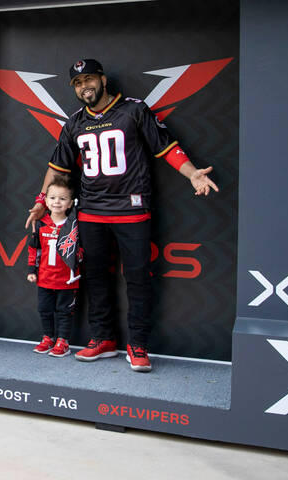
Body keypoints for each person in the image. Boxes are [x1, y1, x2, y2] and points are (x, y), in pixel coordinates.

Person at [24, 58, 217, 373]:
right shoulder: (73, 123)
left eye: (88, 79)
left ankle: (138, 344)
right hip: (91, 212)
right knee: (97, 278)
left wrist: (192, 173)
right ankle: (103, 340)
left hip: (131, 208)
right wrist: (41, 201)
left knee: (138, 279)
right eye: (77, 83)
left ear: (101, 79)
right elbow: (57, 168)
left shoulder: (133, 110)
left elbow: (165, 146)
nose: (84, 86)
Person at [25, 178, 81, 357]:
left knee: (64, 311)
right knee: (44, 309)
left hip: (67, 279)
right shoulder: (41, 224)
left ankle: (63, 342)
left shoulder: (73, 225)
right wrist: (32, 271)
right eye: (53, 198)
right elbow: (34, 250)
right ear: (46, 201)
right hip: (45, 278)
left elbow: (80, 250)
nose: (57, 202)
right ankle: (48, 337)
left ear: (70, 203)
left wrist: (78, 257)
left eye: (63, 199)